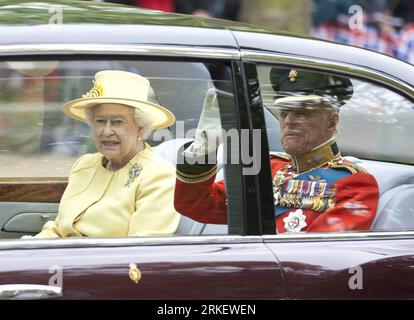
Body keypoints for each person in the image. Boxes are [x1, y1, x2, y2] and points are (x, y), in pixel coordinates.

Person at [174, 68, 379, 233]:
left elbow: (321, 258)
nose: (289, 121)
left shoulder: (353, 183)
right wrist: (202, 149)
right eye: (284, 113)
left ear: (331, 123)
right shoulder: (270, 168)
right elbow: (196, 205)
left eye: (302, 113)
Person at [33, 70, 180, 238]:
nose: (107, 131)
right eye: (100, 121)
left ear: (140, 126)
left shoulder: (158, 175)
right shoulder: (84, 164)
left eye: (118, 122)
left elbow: (144, 249)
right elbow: (59, 228)